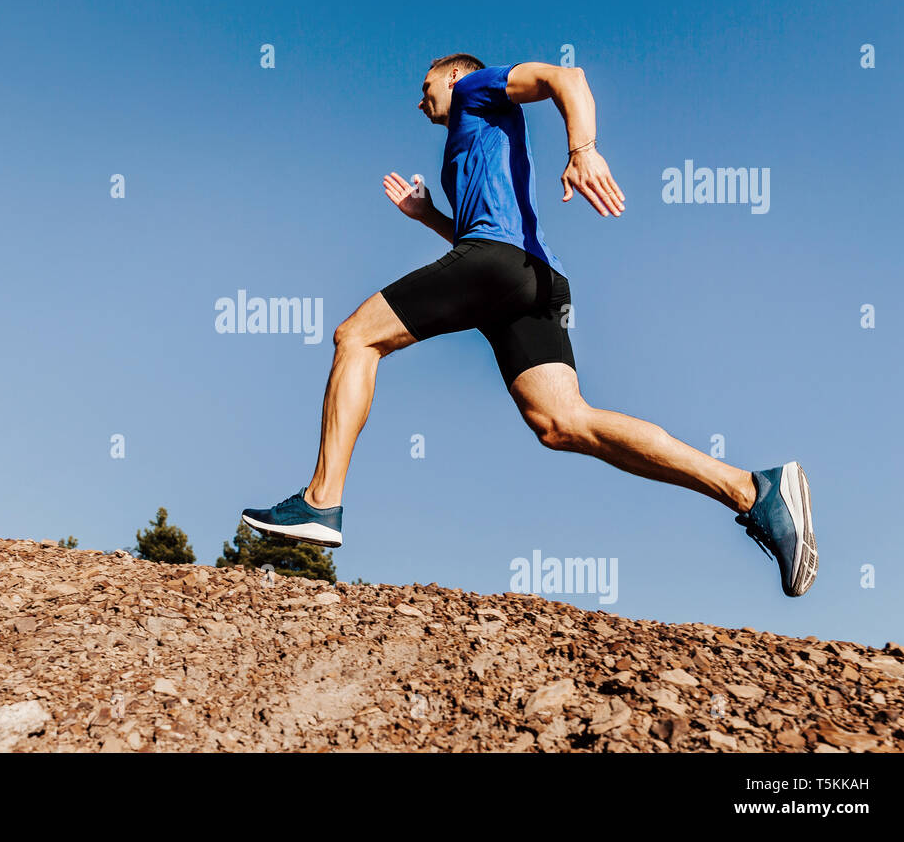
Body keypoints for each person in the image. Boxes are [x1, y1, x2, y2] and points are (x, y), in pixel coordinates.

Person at [240, 53, 817, 598]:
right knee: (564, 422)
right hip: (530, 278)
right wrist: (428, 216)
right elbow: (477, 239)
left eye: (425, 89)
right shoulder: (470, 140)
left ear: (454, 75)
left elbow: (569, 77)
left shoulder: (474, 87)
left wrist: (583, 149)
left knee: (355, 336)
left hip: (502, 264)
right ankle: (753, 490)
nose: (421, 103)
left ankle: (321, 501)